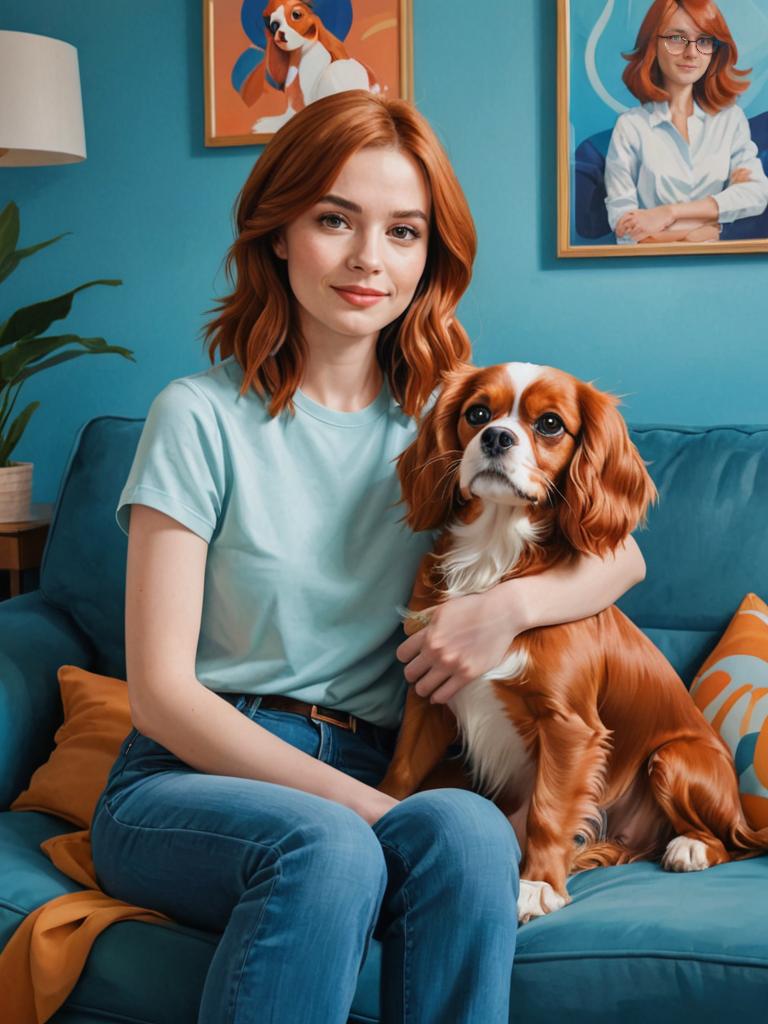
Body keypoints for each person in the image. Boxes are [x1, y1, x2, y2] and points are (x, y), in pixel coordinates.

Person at [90, 89, 647, 1024]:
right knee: (333, 846)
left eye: (403, 231)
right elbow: (161, 696)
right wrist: (375, 813)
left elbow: (621, 561)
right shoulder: (196, 416)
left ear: (431, 254)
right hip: (195, 772)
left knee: (471, 834)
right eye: (333, 220)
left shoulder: (450, 420)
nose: (367, 259)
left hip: (386, 752)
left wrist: (503, 611)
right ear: (278, 231)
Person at [604, 0, 768, 244]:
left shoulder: (729, 120)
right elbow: (625, 227)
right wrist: (710, 227)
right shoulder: (631, 127)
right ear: (653, 44)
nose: (691, 52)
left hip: (723, 268)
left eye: (703, 41)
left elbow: (757, 194)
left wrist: (667, 213)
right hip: (651, 270)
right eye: (677, 38)